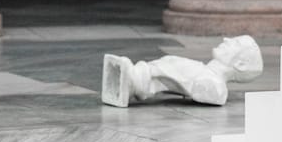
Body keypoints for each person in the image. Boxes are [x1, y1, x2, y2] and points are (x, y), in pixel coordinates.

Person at [101, 36, 264, 107]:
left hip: (138, 82)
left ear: (240, 64)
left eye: (235, 43)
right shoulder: (203, 70)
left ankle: (133, 80)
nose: (226, 39)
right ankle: (134, 77)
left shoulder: (214, 86)